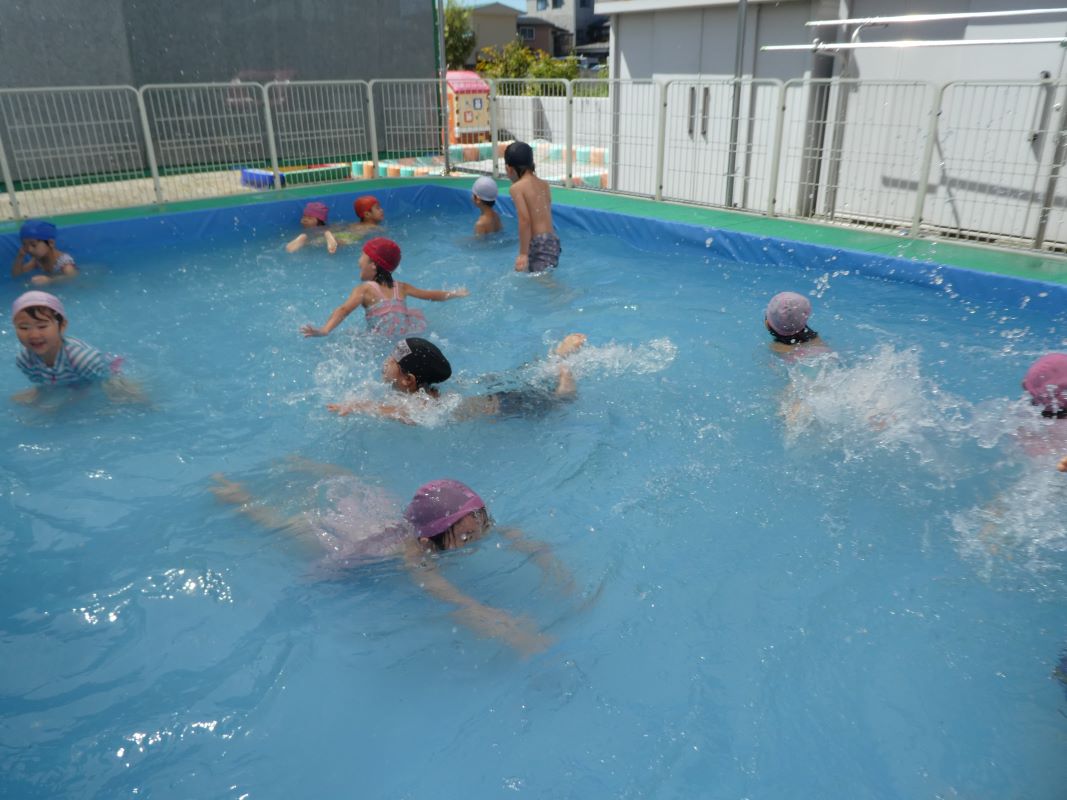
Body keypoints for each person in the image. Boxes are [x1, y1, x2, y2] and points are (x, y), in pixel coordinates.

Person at [211, 464, 572, 655]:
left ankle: (308, 467)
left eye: (481, 524)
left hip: (384, 517)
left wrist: (549, 565)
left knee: (352, 485)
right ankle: (239, 499)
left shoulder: (469, 522)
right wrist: (505, 629)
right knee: (287, 527)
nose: (477, 537)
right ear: (432, 535)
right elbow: (447, 596)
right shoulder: (416, 555)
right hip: (356, 546)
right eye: (465, 536)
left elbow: (515, 536)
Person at [326, 333, 586, 424]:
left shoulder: (423, 404)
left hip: (507, 406)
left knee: (560, 401)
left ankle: (563, 368)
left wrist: (361, 406)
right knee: (525, 378)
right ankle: (556, 359)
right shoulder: (425, 392)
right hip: (493, 395)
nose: (385, 361)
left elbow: (404, 414)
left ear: (409, 380)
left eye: (392, 360)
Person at [300, 237, 468, 338]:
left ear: (373, 265)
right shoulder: (401, 287)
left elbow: (344, 310)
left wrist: (325, 329)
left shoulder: (364, 289)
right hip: (405, 334)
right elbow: (431, 295)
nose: (359, 261)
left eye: (362, 257)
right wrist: (455, 294)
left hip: (378, 340)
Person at [9, 290, 125, 403]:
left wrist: (69, 400)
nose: (33, 335)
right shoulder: (25, 360)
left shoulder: (82, 358)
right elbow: (48, 383)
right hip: (71, 381)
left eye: (42, 326)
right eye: (24, 328)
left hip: (108, 375)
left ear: (62, 325)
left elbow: (107, 380)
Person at [504, 141, 560, 273]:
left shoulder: (517, 188)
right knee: (540, 277)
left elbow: (525, 220)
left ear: (509, 169)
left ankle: (565, 293)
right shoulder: (544, 184)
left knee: (543, 281)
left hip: (539, 242)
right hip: (552, 240)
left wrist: (523, 253)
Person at [11, 220, 78, 286]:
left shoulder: (65, 263)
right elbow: (17, 275)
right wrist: (20, 257)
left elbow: (72, 277)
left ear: (51, 243)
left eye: (33, 245)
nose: (29, 249)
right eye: (25, 245)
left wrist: (50, 280)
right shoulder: (37, 260)